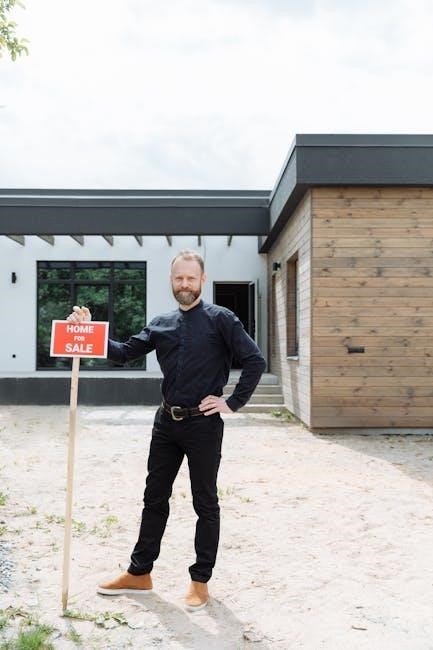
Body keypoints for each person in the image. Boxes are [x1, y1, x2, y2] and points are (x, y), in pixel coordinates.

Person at [67, 249, 266, 611]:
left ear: (202, 280)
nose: (184, 284)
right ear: (171, 281)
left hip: (203, 425)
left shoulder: (222, 319)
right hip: (165, 424)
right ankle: (139, 573)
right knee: (154, 498)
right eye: (179, 278)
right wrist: (87, 330)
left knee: (205, 502)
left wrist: (232, 402)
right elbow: (123, 352)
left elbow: (255, 360)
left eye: (191, 278)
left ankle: (200, 581)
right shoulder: (160, 324)